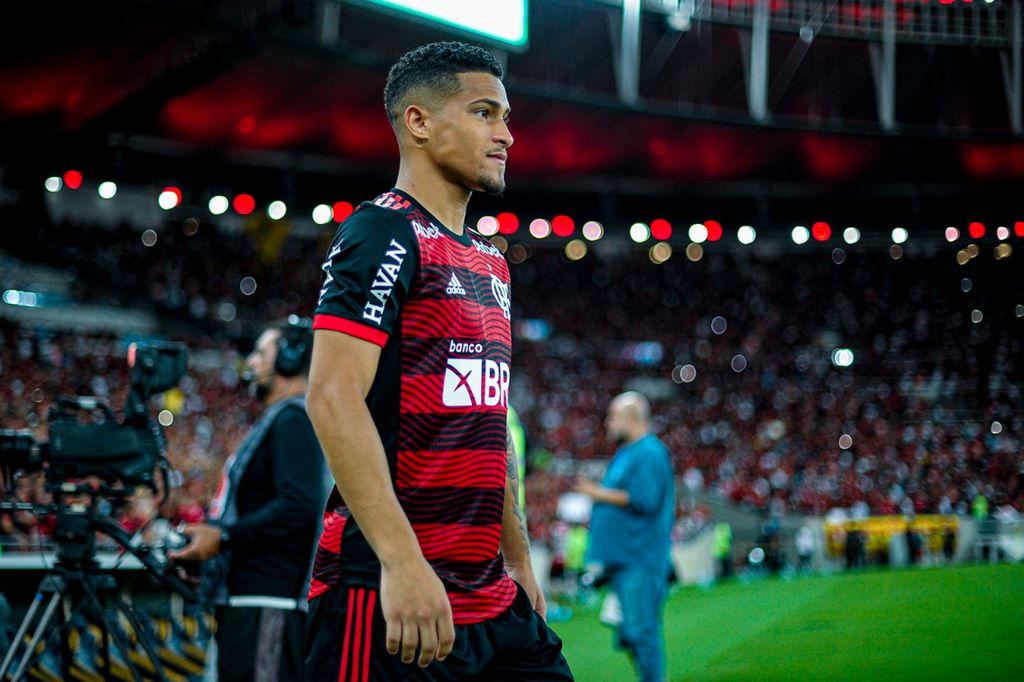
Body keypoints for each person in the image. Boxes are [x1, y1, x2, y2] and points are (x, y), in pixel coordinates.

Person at [303, 41, 574, 681]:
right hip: (387, 592)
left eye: (507, 117)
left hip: (490, 597)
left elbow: (489, 424)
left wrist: (521, 561)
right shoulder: (382, 232)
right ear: (419, 122)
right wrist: (401, 563)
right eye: (485, 113)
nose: (506, 134)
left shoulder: (491, 261)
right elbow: (332, 396)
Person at [171, 318, 329, 682]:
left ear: (290, 359)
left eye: (261, 353)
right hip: (251, 602)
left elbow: (300, 506)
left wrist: (224, 537)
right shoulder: (280, 419)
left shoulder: (293, 419)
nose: (252, 363)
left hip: (269, 604)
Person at [575, 391, 675, 682]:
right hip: (621, 559)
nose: (608, 423)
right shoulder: (627, 452)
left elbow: (644, 499)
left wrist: (597, 492)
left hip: (640, 558)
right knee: (630, 633)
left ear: (632, 418)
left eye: (613, 416)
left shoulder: (650, 451)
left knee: (641, 631)